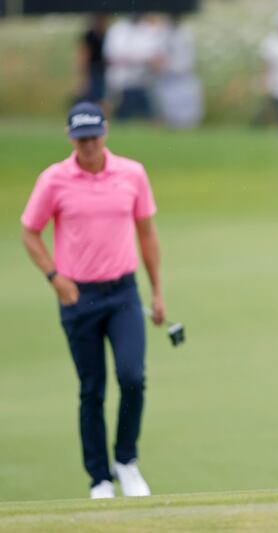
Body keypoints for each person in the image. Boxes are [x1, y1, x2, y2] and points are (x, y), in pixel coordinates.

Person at [21, 102, 166, 499]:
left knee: (132, 377)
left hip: (122, 292)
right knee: (92, 388)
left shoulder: (131, 174)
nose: (88, 145)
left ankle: (126, 460)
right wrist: (54, 277)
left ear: (105, 134)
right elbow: (29, 231)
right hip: (77, 296)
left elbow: (147, 235)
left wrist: (156, 292)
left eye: (94, 137)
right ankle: (100, 478)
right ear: (71, 138)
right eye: (81, 138)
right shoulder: (54, 180)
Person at [104, 15, 164, 121]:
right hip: (122, 83)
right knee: (122, 116)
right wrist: (138, 60)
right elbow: (111, 57)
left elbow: (157, 56)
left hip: (143, 82)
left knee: (149, 116)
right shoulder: (117, 30)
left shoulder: (149, 30)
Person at [153, 15, 204, 129]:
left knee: (186, 110)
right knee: (170, 109)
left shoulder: (185, 34)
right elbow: (158, 55)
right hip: (168, 77)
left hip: (183, 76)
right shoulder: (162, 34)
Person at [76, 14, 109, 105]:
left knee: (102, 95)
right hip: (93, 69)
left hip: (104, 70)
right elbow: (84, 54)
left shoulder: (106, 35)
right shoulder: (90, 36)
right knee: (93, 94)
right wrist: (84, 75)